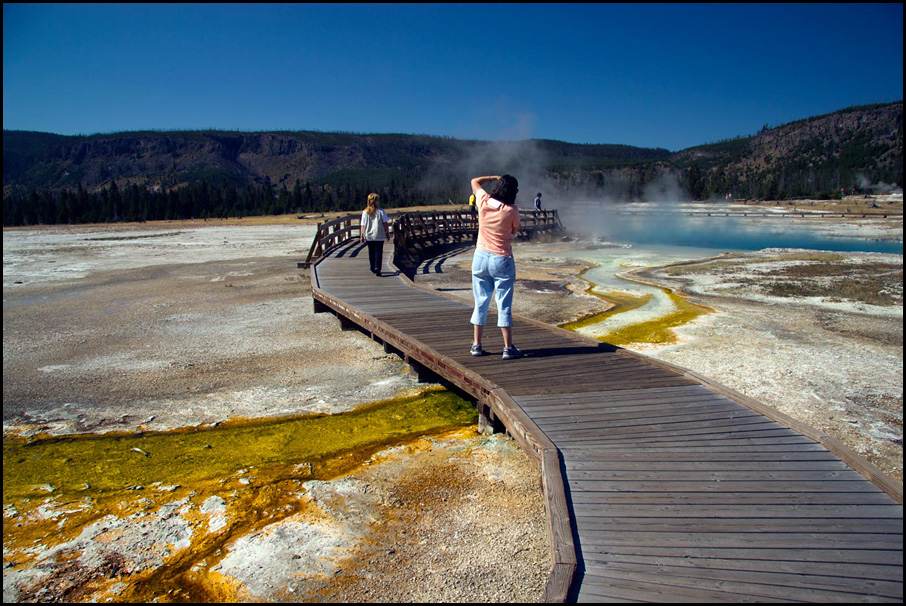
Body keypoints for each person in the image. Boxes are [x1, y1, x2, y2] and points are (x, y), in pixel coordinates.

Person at [469, 174, 522, 360]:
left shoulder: (483, 200)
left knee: (481, 301)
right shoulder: (512, 210)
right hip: (502, 258)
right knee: (504, 303)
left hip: (480, 257)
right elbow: (515, 231)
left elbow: (474, 181)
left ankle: (476, 345)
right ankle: (508, 348)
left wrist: (493, 177)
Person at [360, 193, 390, 275]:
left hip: (369, 235)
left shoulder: (365, 212)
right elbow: (385, 223)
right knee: (379, 251)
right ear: (376, 201)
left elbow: (362, 225)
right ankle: (378, 268)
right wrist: (387, 233)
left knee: (371, 251)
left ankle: (372, 266)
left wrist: (361, 235)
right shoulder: (381, 211)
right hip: (379, 234)